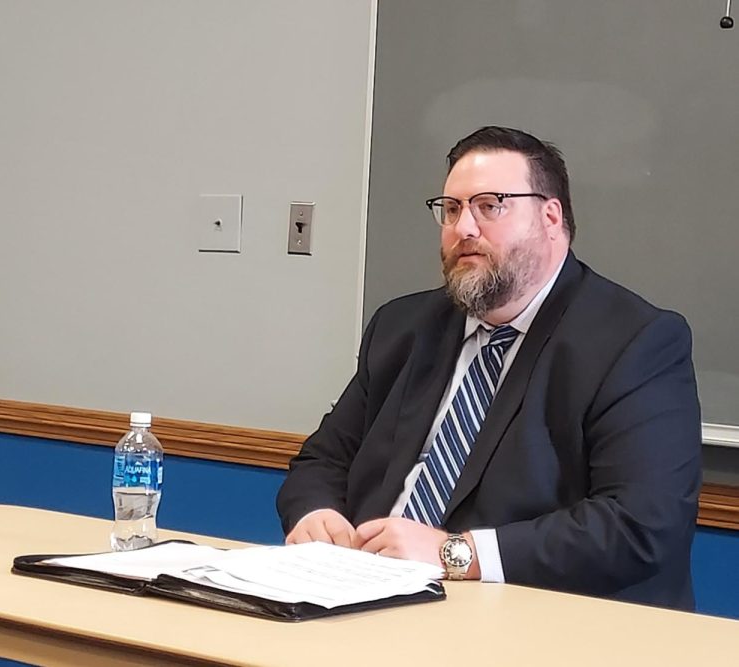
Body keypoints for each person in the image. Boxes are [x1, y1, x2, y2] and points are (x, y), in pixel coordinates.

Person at [276, 126, 701, 610]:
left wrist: (455, 553)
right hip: (364, 597)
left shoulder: (634, 340)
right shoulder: (403, 326)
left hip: (543, 619)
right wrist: (316, 512)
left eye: (490, 206)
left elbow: (641, 525)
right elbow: (323, 459)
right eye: (452, 209)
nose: (464, 229)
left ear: (550, 216)